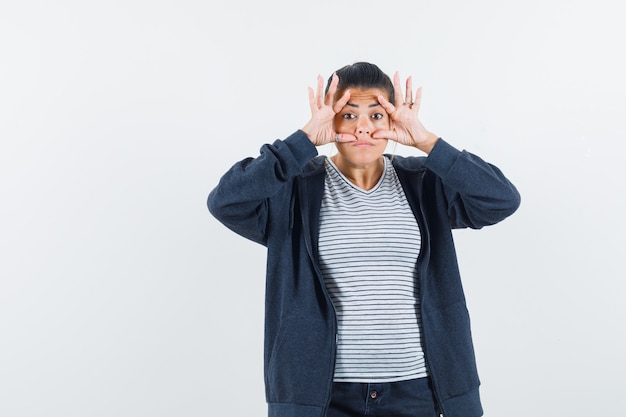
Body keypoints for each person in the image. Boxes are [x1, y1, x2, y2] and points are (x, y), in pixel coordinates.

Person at [207, 62, 520, 417]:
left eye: (376, 115)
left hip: (421, 388)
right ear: (330, 120)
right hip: (320, 395)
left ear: (393, 121)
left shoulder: (423, 183)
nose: (362, 129)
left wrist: (427, 142)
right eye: (348, 114)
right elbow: (226, 201)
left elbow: (501, 198)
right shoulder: (293, 190)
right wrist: (302, 141)